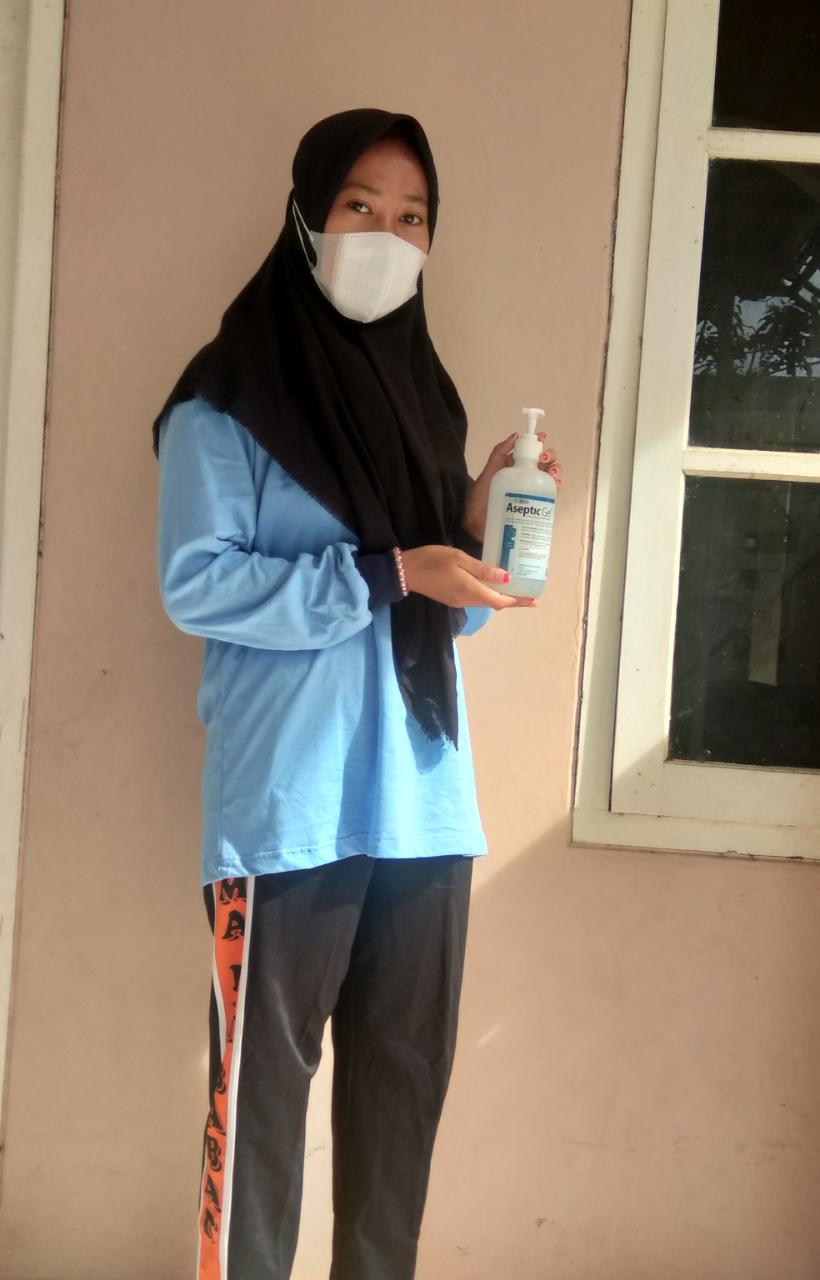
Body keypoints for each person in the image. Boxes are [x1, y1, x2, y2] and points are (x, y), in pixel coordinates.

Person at [154, 108, 560, 1280]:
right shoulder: (225, 402)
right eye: (360, 206)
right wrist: (391, 569)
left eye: (413, 217)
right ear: (306, 215)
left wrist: (471, 528)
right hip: (286, 807)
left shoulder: (424, 404)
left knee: (398, 1112)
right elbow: (197, 582)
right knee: (259, 1113)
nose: (387, 235)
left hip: (423, 805)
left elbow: (450, 611)